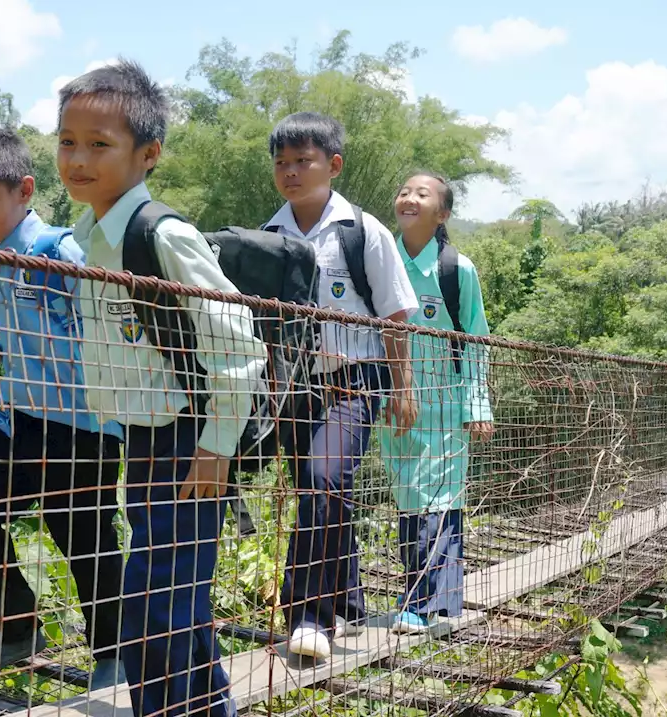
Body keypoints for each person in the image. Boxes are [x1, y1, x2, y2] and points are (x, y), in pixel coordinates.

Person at [57, 59, 266, 717]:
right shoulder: (90, 238)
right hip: (142, 440)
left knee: (159, 598)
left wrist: (217, 445)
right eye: (67, 142)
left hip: (189, 443)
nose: (78, 159)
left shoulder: (161, 235)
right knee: (162, 595)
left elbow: (236, 340)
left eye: (99, 144)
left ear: (148, 154)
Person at [0, 127, 128, 689]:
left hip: (81, 426)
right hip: (19, 419)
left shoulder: (59, 253)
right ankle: (14, 632)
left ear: (23, 190)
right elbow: (37, 332)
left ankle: (116, 656)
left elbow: (99, 331)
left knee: (84, 538)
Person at [262, 111, 419, 661]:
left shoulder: (361, 230)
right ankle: (349, 603)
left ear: (332, 164)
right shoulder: (269, 236)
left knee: (324, 482)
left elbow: (396, 313)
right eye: (281, 163)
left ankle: (308, 615)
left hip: (355, 380)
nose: (291, 172)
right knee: (319, 490)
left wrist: (403, 388)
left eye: (303, 161)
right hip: (293, 390)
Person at [377, 171, 494, 634]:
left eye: (422, 195)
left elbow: (477, 338)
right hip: (394, 407)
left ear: (441, 213)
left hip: (444, 406)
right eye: (404, 190)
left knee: (434, 498)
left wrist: (478, 405)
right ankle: (442, 604)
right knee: (410, 499)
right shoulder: (380, 261)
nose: (409, 198)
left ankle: (420, 605)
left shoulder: (456, 271)